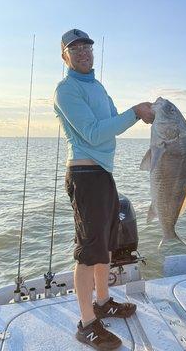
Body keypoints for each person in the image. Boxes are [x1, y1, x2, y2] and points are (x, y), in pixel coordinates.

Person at [53, 29, 154, 350]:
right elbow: (96, 134)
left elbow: (113, 124)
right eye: (75, 48)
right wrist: (136, 112)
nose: (83, 51)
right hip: (84, 175)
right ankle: (87, 323)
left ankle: (103, 301)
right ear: (65, 56)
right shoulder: (66, 90)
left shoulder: (96, 86)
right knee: (88, 251)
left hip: (103, 175)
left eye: (87, 47)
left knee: (107, 246)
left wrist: (138, 116)